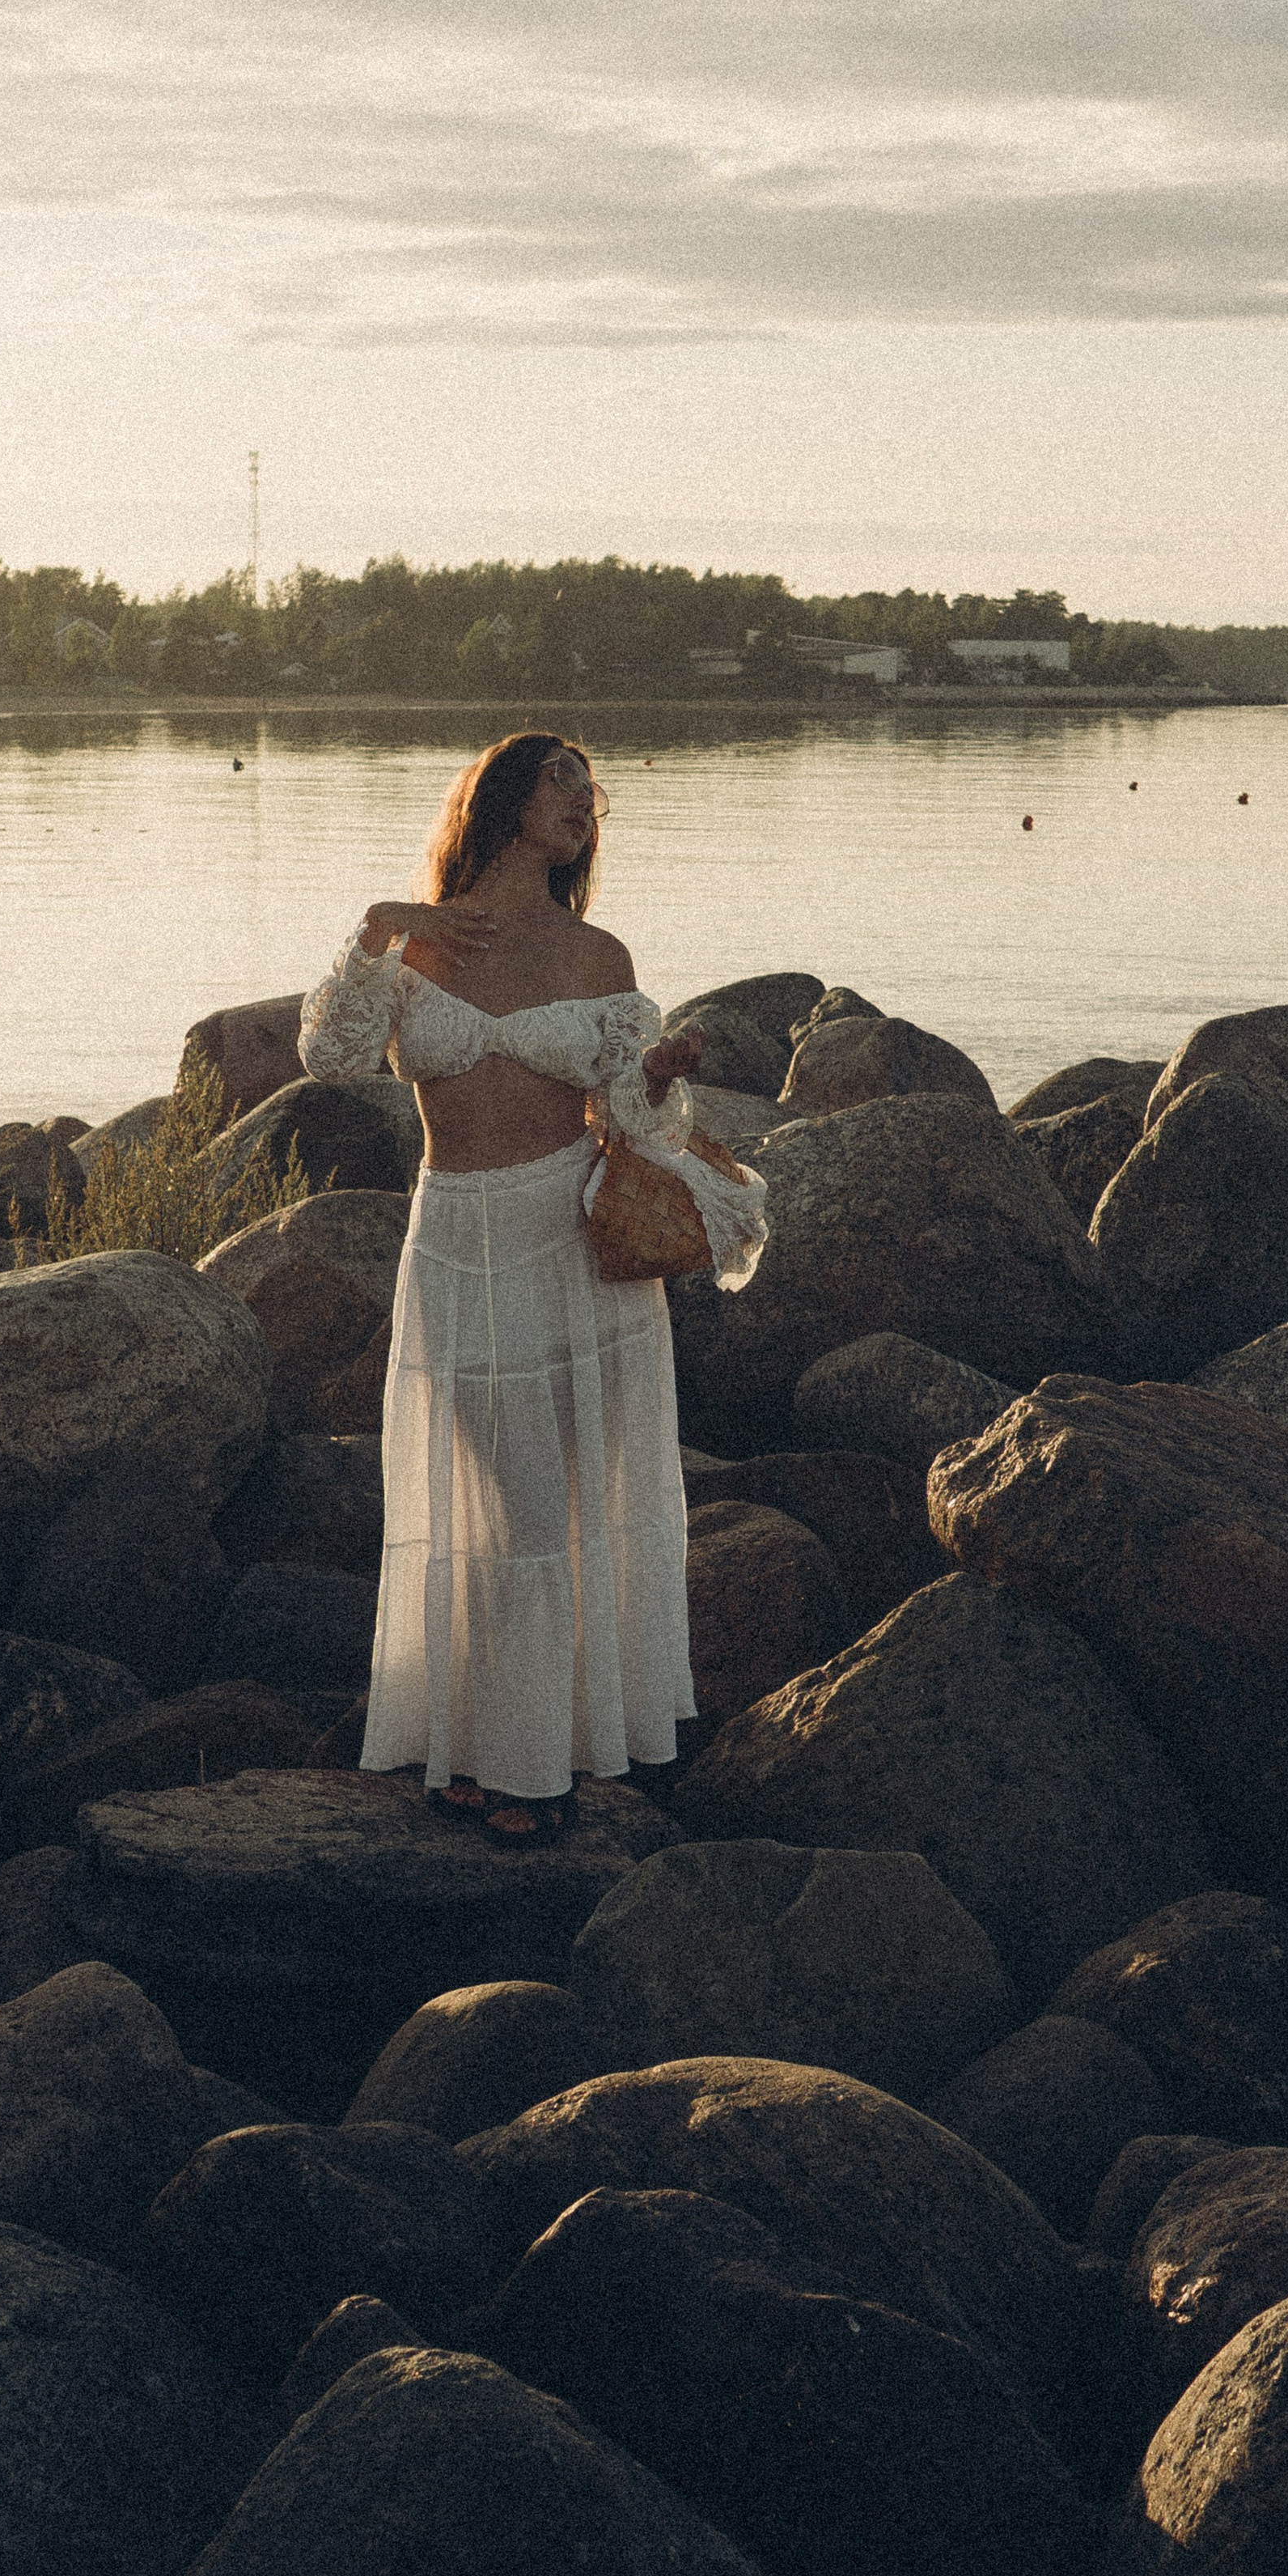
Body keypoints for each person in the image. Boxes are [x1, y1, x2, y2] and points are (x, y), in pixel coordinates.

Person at [298, 731, 767, 1845]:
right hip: (453, 1239)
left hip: (565, 1240)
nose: (584, 807)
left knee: (542, 1505)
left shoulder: (599, 955)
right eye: (565, 783)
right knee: (482, 1497)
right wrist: (381, 927)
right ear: (504, 797)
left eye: (592, 797)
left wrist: (658, 1073)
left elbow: (634, 1123)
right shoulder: (417, 943)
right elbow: (327, 1055)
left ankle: (530, 1768)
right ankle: (474, 1747)